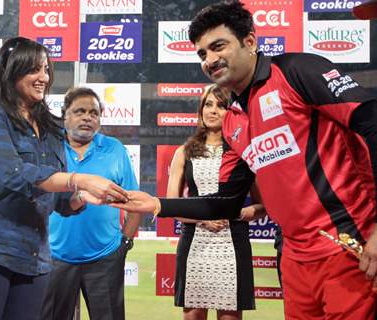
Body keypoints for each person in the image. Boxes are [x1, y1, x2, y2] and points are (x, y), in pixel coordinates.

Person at [113, 1, 377, 319]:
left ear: (250, 41)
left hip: (348, 244)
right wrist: (157, 205)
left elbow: (372, 125)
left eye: (218, 46)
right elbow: (227, 203)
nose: (210, 60)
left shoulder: (297, 71)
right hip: (294, 256)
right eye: (202, 54)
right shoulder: (232, 121)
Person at [0, 37, 128, 320]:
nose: (43, 77)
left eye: (46, 70)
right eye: (34, 70)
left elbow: (60, 201)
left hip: (34, 259)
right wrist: (79, 179)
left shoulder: (51, 126)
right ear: (11, 71)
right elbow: (13, 173)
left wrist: (81, 198)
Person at [41, 87, 140, 320]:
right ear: (64, 115)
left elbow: (133, 201)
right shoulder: (48, 147)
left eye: (94, 113)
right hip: (55, 257)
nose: (87, 117)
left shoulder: (115, 149)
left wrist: (124, 242)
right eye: (80, 111)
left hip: (105, 258)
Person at [168, 84, 262, 320]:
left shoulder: (245, 152)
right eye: (208, 104)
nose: (212, 111)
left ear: (232, 112)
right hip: (195, 247)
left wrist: (238, 213)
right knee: (194, 315)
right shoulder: (184, 152)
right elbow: (172, 205)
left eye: (221, 106)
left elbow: (264, 206)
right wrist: (203, 219)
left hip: (232, 244)